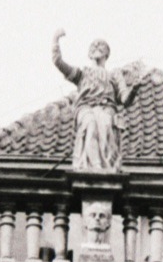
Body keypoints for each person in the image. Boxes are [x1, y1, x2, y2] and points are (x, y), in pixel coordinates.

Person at [51, 32, 138, 171]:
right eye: (94, 46)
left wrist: (134, 89)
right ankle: (94, 166)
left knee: (105, 124)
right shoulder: (82, 74)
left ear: (107, 54)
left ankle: (105, 166)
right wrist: (55, 40)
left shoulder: (114, 75)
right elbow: (58, 62)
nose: (97, 46)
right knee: (90, 125)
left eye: (101, 46)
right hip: (85, 108)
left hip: (106, 108)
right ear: (89, 54)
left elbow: (125, 99)